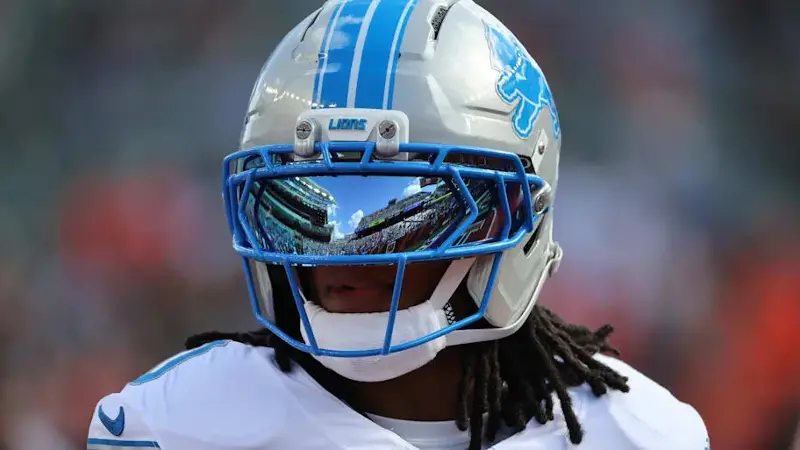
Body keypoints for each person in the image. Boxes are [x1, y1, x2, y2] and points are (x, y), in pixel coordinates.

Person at [87, 1, 708, 449]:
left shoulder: (640, 434)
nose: (342, 253)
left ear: (517, 216)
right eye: (302, 206)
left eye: (399, 210)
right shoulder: (177, 424)